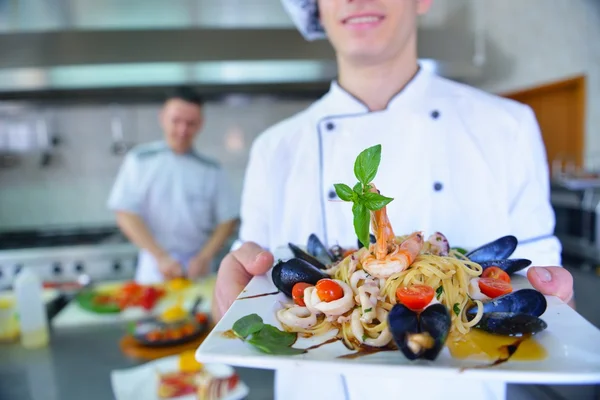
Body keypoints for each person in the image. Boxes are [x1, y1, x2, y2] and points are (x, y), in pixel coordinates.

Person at [211, 1, 575, 399]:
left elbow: (545, 284)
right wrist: (229, 301)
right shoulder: (274, 149)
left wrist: (557, 296)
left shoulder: (509, 127)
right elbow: (248, 296)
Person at [108, 86, 238, 284]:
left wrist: (204, 256)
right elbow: (125, 212)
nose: (182, 130)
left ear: (200, 124)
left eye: (191, 123)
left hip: (199, 267)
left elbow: (227, 220)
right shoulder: (139, 160)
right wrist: (160, 256)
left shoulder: (212, 169)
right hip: (154, 267)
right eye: (176, 121)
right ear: (162, 118)